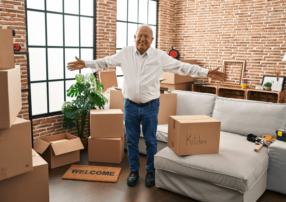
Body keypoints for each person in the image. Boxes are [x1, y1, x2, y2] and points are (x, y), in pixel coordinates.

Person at [67, 24, 227, 187]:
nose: (142, 39)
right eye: (140, 36)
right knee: (131, 141)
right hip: (129, 105)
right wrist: (86, 64)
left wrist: (206, 72)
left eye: (146, 36)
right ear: (134, 38)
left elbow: (182, 67)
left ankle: (151, 171)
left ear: (152, 40)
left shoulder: (159, 56)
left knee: (151, 141)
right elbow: (106, 62)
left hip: (150, 106)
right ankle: (134, 171)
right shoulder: (125, 53)